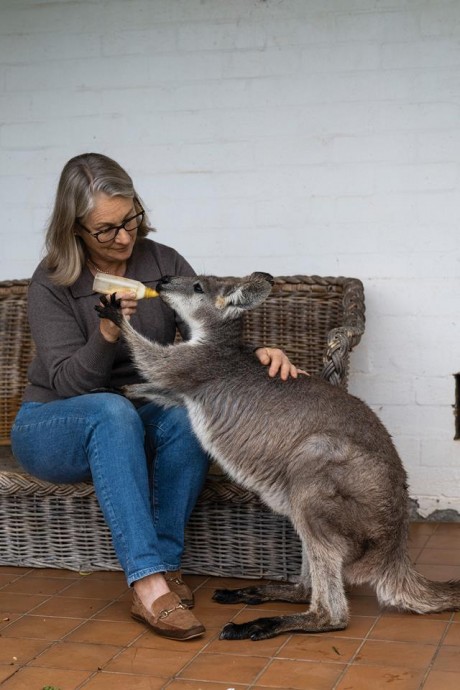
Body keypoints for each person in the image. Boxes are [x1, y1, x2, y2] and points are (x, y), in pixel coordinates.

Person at [11, 152, 301, 641]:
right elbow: (68, 385)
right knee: (111, 410)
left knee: (187, 413)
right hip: (54, 425)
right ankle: (148, 587)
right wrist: (106, 332)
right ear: (74, 229)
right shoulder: (52, 281)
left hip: (130, 421)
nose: (124, 238)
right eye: (105, 230)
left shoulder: (163, 262)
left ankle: (166, 566)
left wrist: (258, 354)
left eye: (130, 220)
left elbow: (205, 339)